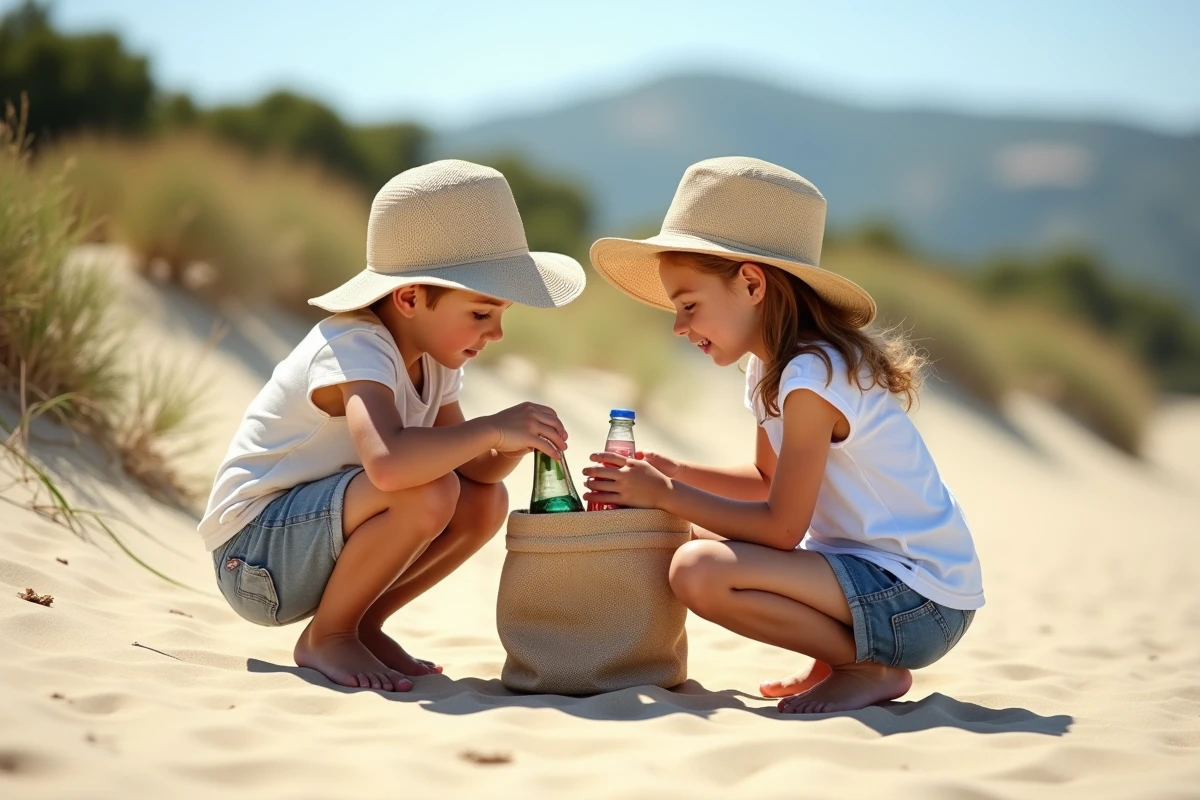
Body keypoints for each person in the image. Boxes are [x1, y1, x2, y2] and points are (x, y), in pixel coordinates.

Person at [583, 156, 984, 713]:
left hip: (919, 599)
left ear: (751, 283)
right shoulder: (772, 368)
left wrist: (664, 495)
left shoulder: (811, 377)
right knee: (697, 538)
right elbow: (765, 480)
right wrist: (676, 474)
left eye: (689, 305)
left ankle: (862, 666)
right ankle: (842, 655)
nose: (678, 326)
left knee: (698, 568)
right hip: (883, 582)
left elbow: (780, 527)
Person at [199, 160, 585, 692]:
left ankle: (359, 625)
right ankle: (327, 635)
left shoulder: (437, 361)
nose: (496, 332)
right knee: (425, 489)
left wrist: (516, 442)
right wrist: (493, 427)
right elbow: (388, 464)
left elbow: (477, 469)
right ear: (408, 299)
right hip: (255, 555)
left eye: (501, 315)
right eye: (480, 313)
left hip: (307, 542)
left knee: (482, 501)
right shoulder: (355, 344)